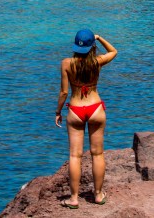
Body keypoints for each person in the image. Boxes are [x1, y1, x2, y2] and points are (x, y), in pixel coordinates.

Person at [55, 30, 118, 209]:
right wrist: (99, 38)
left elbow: (64, 92)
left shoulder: (66, 63)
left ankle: (74, 199)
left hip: (75, 110)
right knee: (97, 153)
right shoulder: (97, 62)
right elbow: (114, 52)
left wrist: (58, 111)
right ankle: (98, 195)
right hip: (96, 108)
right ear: (92, 46)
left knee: (75, 155)